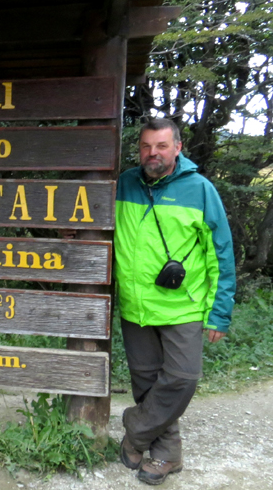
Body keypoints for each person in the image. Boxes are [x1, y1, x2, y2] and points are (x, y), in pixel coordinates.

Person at [114, 118, 235, 484]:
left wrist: (220, 312)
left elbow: (221, 252)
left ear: (177, 148)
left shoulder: (199, 189)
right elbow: (99, 223)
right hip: (135, 306)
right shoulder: (125, 183)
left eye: (161, 146)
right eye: (146, 146)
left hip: (182, 305)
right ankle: (167, 455)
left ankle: (135, 430)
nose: (153, 153)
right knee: (147, 383)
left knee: (182, 378)